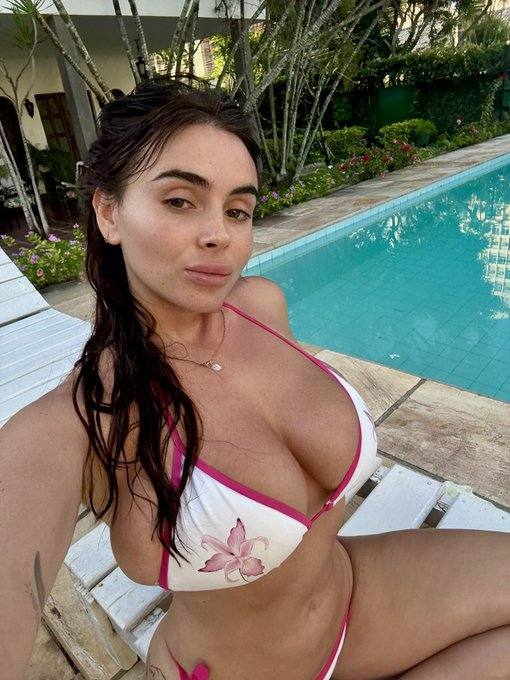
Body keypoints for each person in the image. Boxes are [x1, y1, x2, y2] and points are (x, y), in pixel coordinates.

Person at [0, 80, 509, 680]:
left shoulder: (261, 305)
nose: (219, 234)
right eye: (180, 201)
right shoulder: (77, 421)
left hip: (355, 595)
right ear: (109, 213)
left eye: (237, 209)